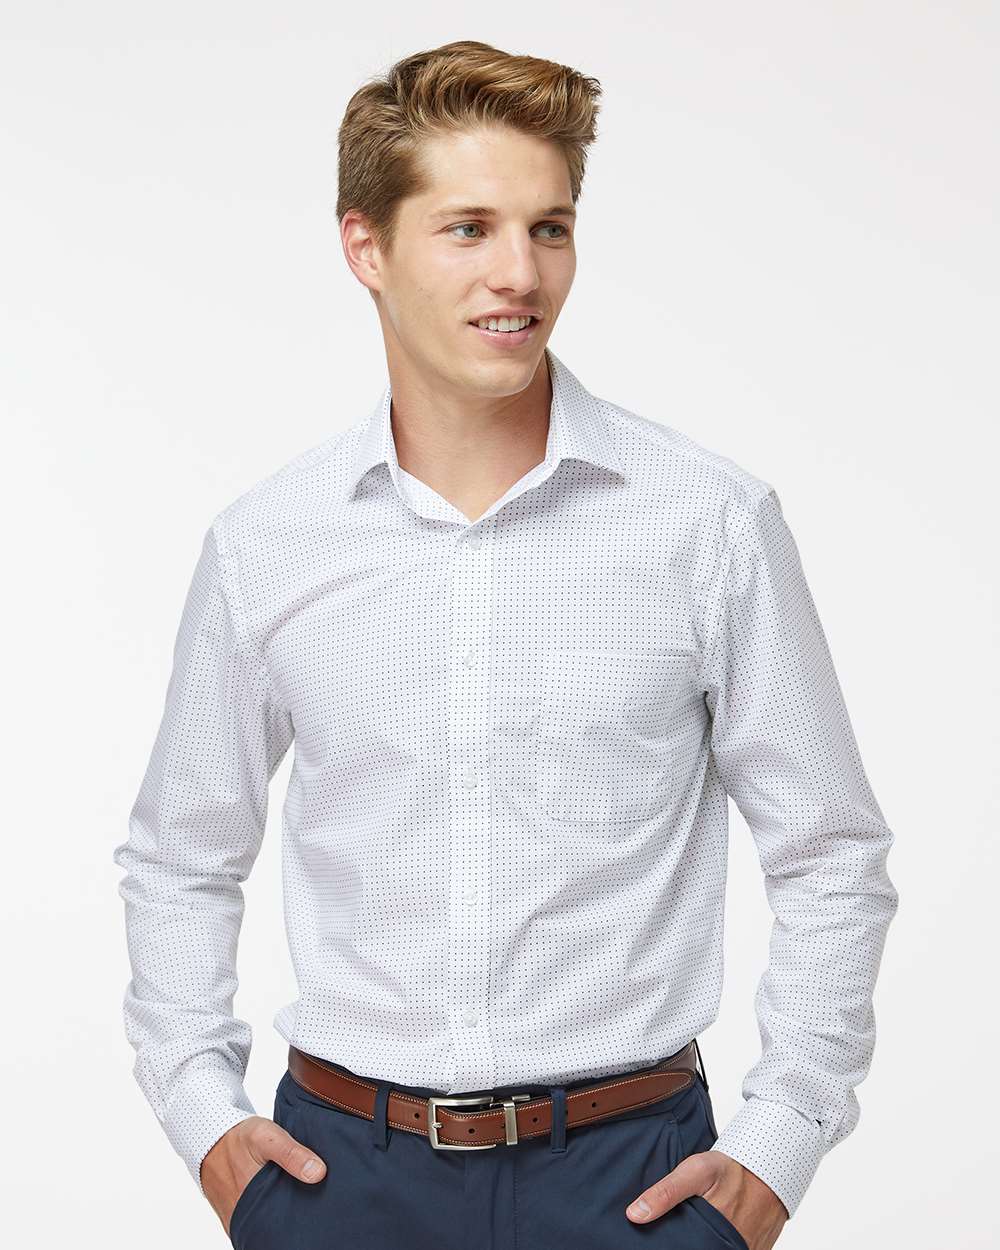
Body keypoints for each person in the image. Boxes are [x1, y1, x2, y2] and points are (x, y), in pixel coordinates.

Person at [113, 39, 898, 1250]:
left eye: (550, 228)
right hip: (340, 1180)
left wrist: (777, 1144)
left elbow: (830, 848)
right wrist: (204, 1118)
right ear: (366, 246)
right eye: (468, 228)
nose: (520, 274)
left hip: (633, 1182)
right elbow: (180, 852)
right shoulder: (269, 542)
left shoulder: (706, 523)